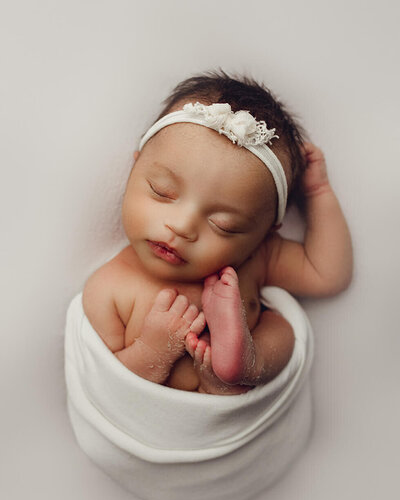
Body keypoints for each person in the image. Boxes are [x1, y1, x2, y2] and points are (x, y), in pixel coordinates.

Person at [82, 69, 353, 395]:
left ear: (264, 233)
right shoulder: (108, 287)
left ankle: (245, 364)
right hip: (165, 426)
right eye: (162, 191)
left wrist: (319, 194)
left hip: (238, 405)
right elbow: (105, 387)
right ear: (134, 170)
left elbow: (328, 275)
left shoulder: (254, 258)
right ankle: (225, 376)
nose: (181, 227)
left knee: (281, 330)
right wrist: (152, 350)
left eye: (224, 225)